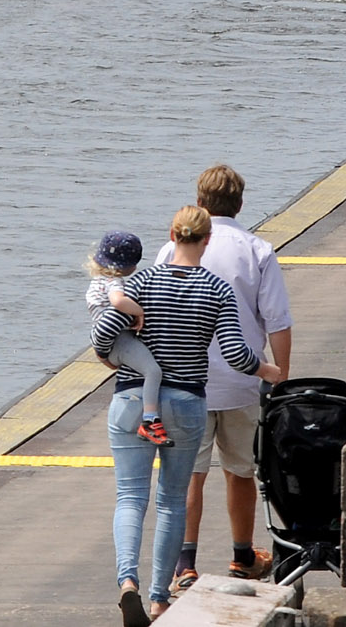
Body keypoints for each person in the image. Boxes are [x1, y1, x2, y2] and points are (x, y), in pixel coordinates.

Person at [92, 206, 277, 627]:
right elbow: (233, 354)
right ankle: (159, 599)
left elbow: (102, 335)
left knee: (129, 497)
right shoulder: (217, 289)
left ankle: (127, 583)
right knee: (172, 501)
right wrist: (264, 369)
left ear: (171, 236)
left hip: (130, 401)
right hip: (186, 404)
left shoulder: (140, 282)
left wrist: (112, 357)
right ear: (207, 240)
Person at [174, 164, 293, 591]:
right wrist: (281, 377)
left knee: (190, 473)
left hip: (186, 381)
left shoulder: (173, 248)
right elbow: (277, 320)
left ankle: (184, 562)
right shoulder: (257, 249)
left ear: (199, 201)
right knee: (241, 471)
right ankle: (243, 555)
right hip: (242, 381)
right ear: (240, 204)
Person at [86, 232, 171, 446]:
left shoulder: (97, 281)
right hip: (119, 340)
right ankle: (150, 420)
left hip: (105, 340)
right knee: (153, 371)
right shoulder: (114, 282)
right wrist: (139, 311)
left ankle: (149, 418)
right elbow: (117, 302)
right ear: (129, 265)